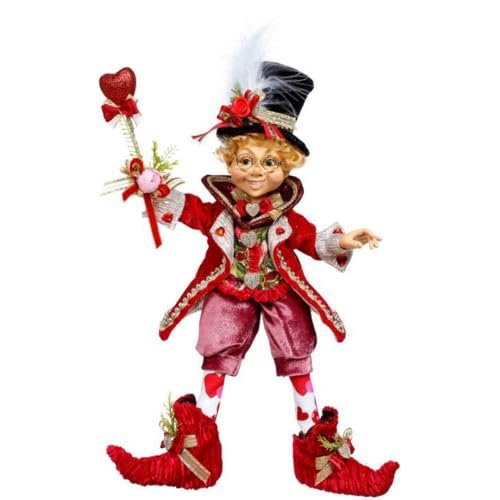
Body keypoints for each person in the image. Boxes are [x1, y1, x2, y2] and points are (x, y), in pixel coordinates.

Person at [107, 61, 399, 496]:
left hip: (281, 294)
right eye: (245, 161)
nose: (256, 172)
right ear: (230, 161)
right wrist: (156, 189)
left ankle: (319, 457)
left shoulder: (285, 217)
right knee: (215, 356)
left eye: (269, 162)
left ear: (287, 167)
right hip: (231, 292)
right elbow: (191, 210)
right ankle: (194, 459)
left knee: (298, 361)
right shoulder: (221, 211)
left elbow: (309, 240)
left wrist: (343, 241)